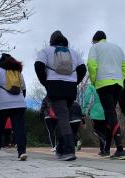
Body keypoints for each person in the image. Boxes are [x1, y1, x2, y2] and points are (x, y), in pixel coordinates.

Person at [35, 30, 87, 161]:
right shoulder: (73, 53)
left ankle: (69, 151)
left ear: (51, 40)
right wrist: (75, 82)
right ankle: (60, 149)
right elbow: (82, 69)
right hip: (70, 88)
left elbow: (38, 65)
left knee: (62, 118)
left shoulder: (46, 51)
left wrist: (45, 82)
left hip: (55, 86)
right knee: (62, 117)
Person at [87, 30, 125, 159]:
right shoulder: (118, 47)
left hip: (103, 84)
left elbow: (91, 64)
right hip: (117, 84)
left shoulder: (95, 47)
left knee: (110, 114)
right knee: (109, 115)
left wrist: (94, 81)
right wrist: (119, 79)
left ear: (95, 40)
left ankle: (120, 149)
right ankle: (106, 149)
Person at [0, 53, 27, 161]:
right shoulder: (18, 73)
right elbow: (24, 90)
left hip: (2, 104)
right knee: (19, 128)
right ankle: (22, 152)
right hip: (19, 103)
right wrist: (19, 101)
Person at [82, 84, 112, 156]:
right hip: (108, 110)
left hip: (97, 111)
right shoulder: (108, 85)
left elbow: (87, 98)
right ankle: (104, 150)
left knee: (98, 131)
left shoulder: (91, 86)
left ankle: (104, 143)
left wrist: (84, 109)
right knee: (105, 131)